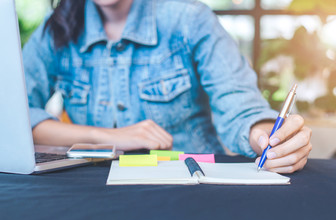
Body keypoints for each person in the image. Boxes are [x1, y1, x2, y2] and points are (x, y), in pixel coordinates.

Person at [22, 0, 312, 173]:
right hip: (92, 191)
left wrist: (265, 137)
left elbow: (239, 105)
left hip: (189, 183)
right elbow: (16, 116)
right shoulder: (55, 27)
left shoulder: (190, 19)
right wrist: (107, 137)